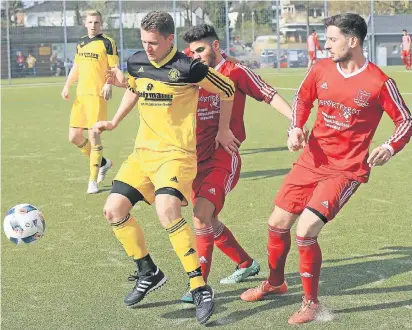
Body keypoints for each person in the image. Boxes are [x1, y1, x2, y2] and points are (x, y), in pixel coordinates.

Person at [241, 13, 412, 325]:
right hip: (311, 161)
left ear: (353, 41)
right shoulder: (320, 69)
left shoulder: (379, 82)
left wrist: (389, 146)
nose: (327, 45)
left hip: (346, 169)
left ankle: (311, 303)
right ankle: (275, 282)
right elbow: (302, 101)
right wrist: (295, 128)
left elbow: (406, 120)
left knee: (305, 230)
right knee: (277, 223)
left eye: (332, 39)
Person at [93, 11, 236, 325]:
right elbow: (135, 87)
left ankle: (199, 287)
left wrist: (224, 131)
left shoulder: (189, 67)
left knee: (166, 208)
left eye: (154, 43)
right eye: (144, 42)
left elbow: (227, 90)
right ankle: (149, 271)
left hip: (176, 156)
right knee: (113, 210)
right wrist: (115, 121)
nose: (148, 48)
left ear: (171, 39)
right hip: (142, 155)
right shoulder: (137, 61)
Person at [179, 24, 295, 303]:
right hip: (192, 158)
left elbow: (269, 94)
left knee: (200, 214)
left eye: (201, 49)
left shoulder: (235, 72)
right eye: (191, 50)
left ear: (216, 46)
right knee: (209, 218)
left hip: (223, 156)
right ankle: (245, 264)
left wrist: (295, 123)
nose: (194, 55)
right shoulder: (189, 70)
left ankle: (198, 286)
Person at [61, 10, 122, 194]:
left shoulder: (108, 43)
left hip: (97, 95)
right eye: (90, 22)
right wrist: (67, 85)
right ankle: (103, 163)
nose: (93, 25)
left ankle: (92, 181)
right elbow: (77, 67)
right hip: (81, 96)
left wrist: (109, 84)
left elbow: (114, 67)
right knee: (74, 137)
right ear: (85, 23)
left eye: (97, 22)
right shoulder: (81, 43)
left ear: (101, 23)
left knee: (94, 135)